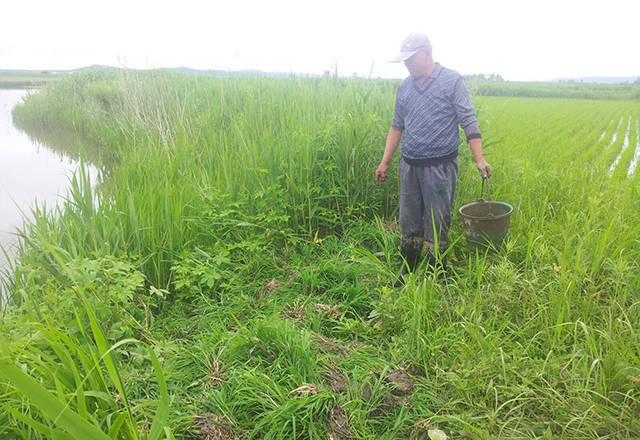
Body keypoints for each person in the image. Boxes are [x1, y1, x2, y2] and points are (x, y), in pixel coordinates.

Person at [375, 33, 491, 283]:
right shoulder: (405, 87)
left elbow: (468, 120)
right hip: (409, 166)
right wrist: (385, 162)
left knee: (437, 221)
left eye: (411, 59)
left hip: (440, 167)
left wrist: (479, 159)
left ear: (426, 54)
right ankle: (407, 268)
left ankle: (438, 273)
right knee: (409, 221)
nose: (406, 64)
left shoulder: (452, 81)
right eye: (404, 60)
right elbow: (397, 126)